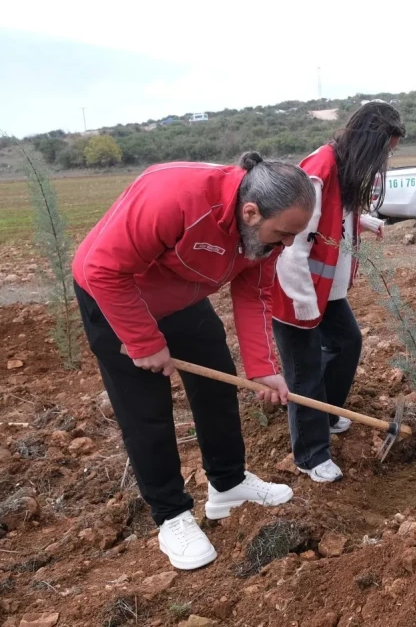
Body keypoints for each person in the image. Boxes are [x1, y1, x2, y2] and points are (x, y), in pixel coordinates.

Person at [73, 154, 317, 570]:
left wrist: (261, 367)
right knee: (146, 412)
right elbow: (103, 269)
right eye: (284, 233)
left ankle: (228, 484)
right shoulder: (174, 196)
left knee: (218, 384)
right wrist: (144, 340)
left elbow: (253, 294)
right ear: (250, 212)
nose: (289, 244)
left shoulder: (264, 236)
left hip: (181, 296)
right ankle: (171, 516)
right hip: (116, 296)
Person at [273, 103, 405, 483]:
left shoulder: (342, 168)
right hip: (296, 290)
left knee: (347, 342)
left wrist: (361, 221)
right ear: (369, 143)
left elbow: (331, 214)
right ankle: (310, 455)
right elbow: (293, 245)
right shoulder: (318, 171)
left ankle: (325, 413)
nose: (386, 159)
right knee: (304, 371)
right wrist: (303, 304)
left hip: (323, 290)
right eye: (386, 151)